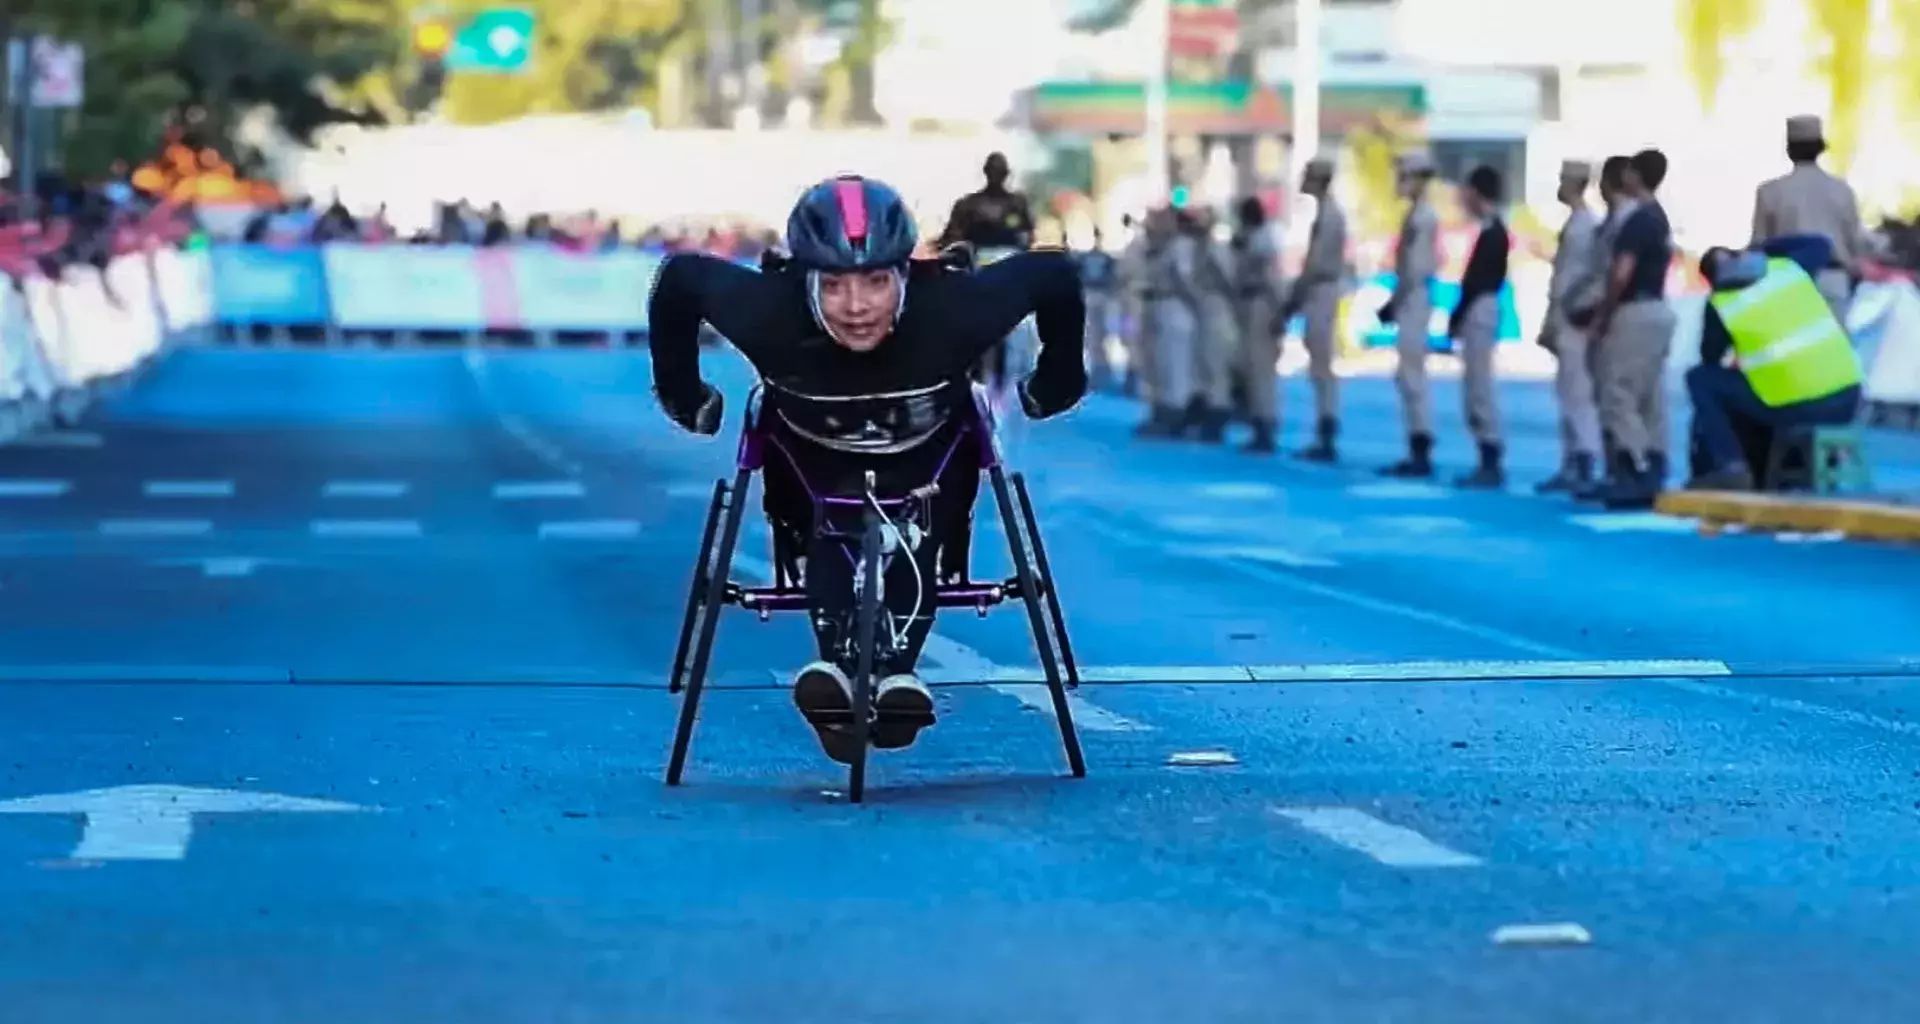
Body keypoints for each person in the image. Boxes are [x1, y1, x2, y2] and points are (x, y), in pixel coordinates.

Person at [647, 175, 1087, 764]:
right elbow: (678, 281)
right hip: (809, 478)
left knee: (909, 524)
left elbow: (1053, 275)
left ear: (905, 274)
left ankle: (890, 680)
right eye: (833, 286)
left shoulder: (954, 310)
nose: (857, 308)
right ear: (804, 279)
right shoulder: (766, 313)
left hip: (931, 474)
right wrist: (684, 392)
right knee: (836, 518)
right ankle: (842, 679)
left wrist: (1058, 381)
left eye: (877, 283)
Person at [1683, 246, 1863, 489]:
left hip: (1799, 406)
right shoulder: (1787, 268)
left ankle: (1730, 464)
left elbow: (1710, 359)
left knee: (1700, 380)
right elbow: (1817, 241)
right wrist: (1757, 250)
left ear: (1710, 280)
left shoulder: (1720, 300)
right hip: (1848, 396)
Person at [1589, 148, 1677, 510]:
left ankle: (1634, 466)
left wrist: (1604, 314)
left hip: (1635, 311)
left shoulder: (1638, 221)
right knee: (1649, 396)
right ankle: (1653, 461)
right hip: (1658, 308)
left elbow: (1622, 272)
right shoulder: (1659, 218)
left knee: (1619, 393)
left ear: (1634, 177)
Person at [1751, 114, 1867, 326]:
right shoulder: (1842, 190)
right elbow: (1857, 245)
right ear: (1820, 148)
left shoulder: (1769, 192)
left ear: (1789, 151)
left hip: (1786, 282)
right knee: (1834, 352)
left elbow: (1759, 244)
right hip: (1832, 279)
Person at [938, 152, 1038, 397]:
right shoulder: (969, 205)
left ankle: (1009, 383)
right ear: (985, 172)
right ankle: (977, 376)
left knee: (1014, 333)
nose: (996, 175)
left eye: (1000, 170)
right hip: (977, 269)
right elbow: (952, 238)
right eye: (992, 170)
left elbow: (1028, 237)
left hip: (1010, 270)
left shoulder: (1018, 204)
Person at [1537, 160, 1603, 493]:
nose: (1560, 186)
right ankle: (1572, 460)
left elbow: (1589, 277)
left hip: (1575, 317)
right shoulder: (1576, 223)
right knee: (1567, 392)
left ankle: (1584, 459)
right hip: (1564, 316)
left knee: (1577, 393)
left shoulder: (1586, 225)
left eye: (1564, 180)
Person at [1379, 151, 1441, 478]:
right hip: (1411, 298)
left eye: (1404, 177)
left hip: (1414, 299)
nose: (1399, 183)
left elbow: (1414, 269)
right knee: (1407, 374)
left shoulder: (1422, 218)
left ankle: (1420, 444)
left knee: (1412, 375)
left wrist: (1395, 300)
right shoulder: (1416, 215)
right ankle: (1417, 441)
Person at [1448, 165, 1511, 488]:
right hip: (1479, 307)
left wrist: (1458, 315)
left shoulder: (1493, 232)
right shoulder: (1490, 229)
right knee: (1474, 384)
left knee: (1479, 385)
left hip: (1480, 308)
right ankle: (1486, 452)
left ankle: (1490, 454)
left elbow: (1478, 281)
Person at [1285, 156, 1347, 462]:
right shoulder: (1324, 213)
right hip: (1318, 290)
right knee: (1318, 365)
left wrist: (1294, 297)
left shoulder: (1330, 215)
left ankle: (1327, 429)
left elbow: (1317, 264)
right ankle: (1324, 428)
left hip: (1322, 288)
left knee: (1322, 365)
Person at [1230, 196, 1285, 452]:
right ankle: (1257, 422)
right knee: (1251, 368)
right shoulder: (1250, 238)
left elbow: (1270, 278)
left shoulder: (1263, 240)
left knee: (1261, 370)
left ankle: (1265, 425)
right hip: (1249, 304)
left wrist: (1279, 313)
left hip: (1261, 303)